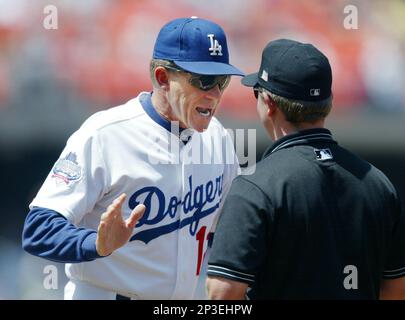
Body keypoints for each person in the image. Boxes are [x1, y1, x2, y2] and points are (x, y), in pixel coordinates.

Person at [22, 17, 244, 300]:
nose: (215, 94)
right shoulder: (105, 134)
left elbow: (228, 233)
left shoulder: (219, 139)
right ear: (163, 78)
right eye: (204, 80)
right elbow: (38, 229)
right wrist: (96, 244)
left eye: (222, 81)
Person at [206, 39, 405, 299]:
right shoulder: (379, 184)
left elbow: (223, 294)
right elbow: (395, 288)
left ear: (268, 102)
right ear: (328, 102)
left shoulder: (255, 186)